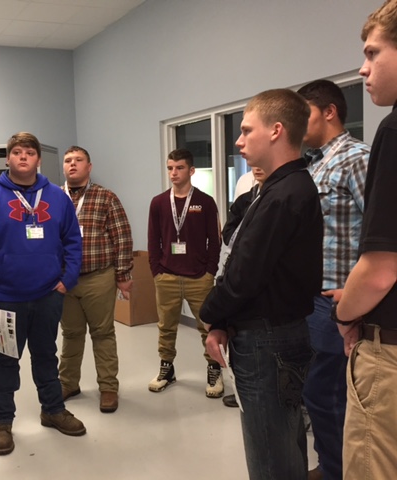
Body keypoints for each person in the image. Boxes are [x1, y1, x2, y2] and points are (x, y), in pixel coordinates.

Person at [200, 89, 323, 480]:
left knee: (272, 456)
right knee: (283, 445)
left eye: (246, 130)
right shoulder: (273, 189)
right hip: (271, 334)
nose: (238, 140)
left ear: (276, 131)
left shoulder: (285, 194)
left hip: (268, 342)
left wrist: (210, 315)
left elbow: (243, 274)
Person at [0, 132, 86, 456]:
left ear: (38, 159)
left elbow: (73, 241)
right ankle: (2, 422)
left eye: (29, 152)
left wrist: (67, 280)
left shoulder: (57, 198)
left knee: (47, 356)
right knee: (5, 362)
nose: (22, 157)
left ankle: (53, 409)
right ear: (8, 159)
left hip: (48, 294)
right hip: (4, 298)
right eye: (16, 152)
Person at [333, 3, 397, 477]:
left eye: (373, 52)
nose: (363, 67)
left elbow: (379, 270)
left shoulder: (392, 131)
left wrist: (344, 314)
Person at [297, 79, 369, 480]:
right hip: (312, 299)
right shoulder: (314, 163)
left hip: (338, 300)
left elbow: (384, 231)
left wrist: (353, 293)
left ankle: (340, 471)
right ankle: (331, 465)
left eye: (304, 113)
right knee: (318, 396)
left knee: (329, 397)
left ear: (329, 112)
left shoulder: (357, 158)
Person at [58, 146, 133, 414]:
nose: (73, 164)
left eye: (79, 160)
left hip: (99, 277)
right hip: (64, 281)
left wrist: (123, 275)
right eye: (68, 161)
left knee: (103, 334)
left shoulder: (105, 197)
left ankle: (109, 388)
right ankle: (67, 383)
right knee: (71, 334)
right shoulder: (54, 198)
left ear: (89, 167)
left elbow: (122, 237)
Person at [147, 148, 222, 397]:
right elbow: (153, 239)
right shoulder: (158, 202)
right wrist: (156, 270)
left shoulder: (205, 202)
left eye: (179, 168)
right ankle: (167, 369)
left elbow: (215, 239)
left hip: (199, 278)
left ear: (191, 171)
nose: (173, 173)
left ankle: (214, 370)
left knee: (207, 327)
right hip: (166, 276)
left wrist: (210, 271)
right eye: (170, 168)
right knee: (166, 327)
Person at [220, 166, 267, 409]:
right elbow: (229, 235)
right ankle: (241, 391)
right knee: (238, 341)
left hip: (267, 290)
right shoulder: (244, 196)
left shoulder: (287, 193)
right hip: (239, 276)